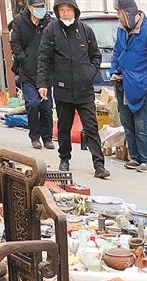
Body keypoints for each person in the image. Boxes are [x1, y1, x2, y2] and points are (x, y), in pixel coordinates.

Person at [37, 0, 109, 179]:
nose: (66, 13)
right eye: (62, 10)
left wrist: (89, 73)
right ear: (57, 12)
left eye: (68, 10)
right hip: (63, 88)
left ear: (75, 11)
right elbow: (44, 59)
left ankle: (99, 164)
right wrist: (43, 84)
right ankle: (64, 158)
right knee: (64, 126)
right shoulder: (51, 31)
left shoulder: (85, 30)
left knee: (91, 127)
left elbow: (96, 56)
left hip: (84, 89)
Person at [109, 0, 147, 171]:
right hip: (123, 83)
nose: (119, 19)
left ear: (128, 14)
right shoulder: (122, 30)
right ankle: (136, 158)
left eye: (120, 15)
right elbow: (117, 51)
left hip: (141, 86)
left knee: (141, 125)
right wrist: (113, 70)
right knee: (128, 124)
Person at [10, 0, 54, 150]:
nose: (40, 10)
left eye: (42, 7)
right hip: (27, 72)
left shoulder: (49, 22)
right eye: (37, 7)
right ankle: (35, 137)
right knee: (33, 104)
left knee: (47, 107)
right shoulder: (19, 22)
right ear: (29, 7)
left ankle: (47, 137)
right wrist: (23, 59)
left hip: (45, 72)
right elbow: (14, 43)